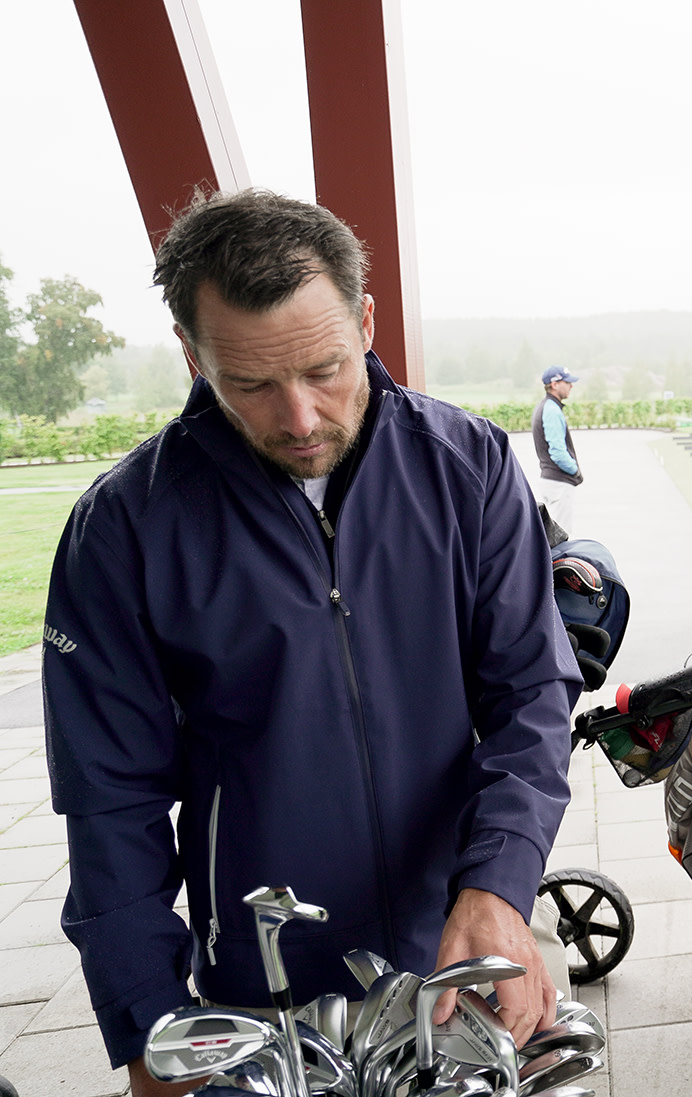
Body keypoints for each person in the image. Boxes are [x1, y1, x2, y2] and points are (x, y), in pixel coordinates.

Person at [41, 190, 582, 1096]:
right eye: (251, 383)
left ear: (365, 320)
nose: (299, 418)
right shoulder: (123, 527)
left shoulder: (471, 467)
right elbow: (109, 801)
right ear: (192, 353)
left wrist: (498, 884)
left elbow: (531, 696)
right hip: (263, 978)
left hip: (460, 948)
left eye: (326, 368)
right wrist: (146, 1024)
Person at [532, 364, 583, 534]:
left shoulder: (546, 406)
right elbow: (558, 452)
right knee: (562, 538)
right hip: (559, 482)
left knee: (553, 536)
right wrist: (575, 470)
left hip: (551, 481)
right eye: (567, 382)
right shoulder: (552, 410)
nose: (571, 386)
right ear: (554, 385)